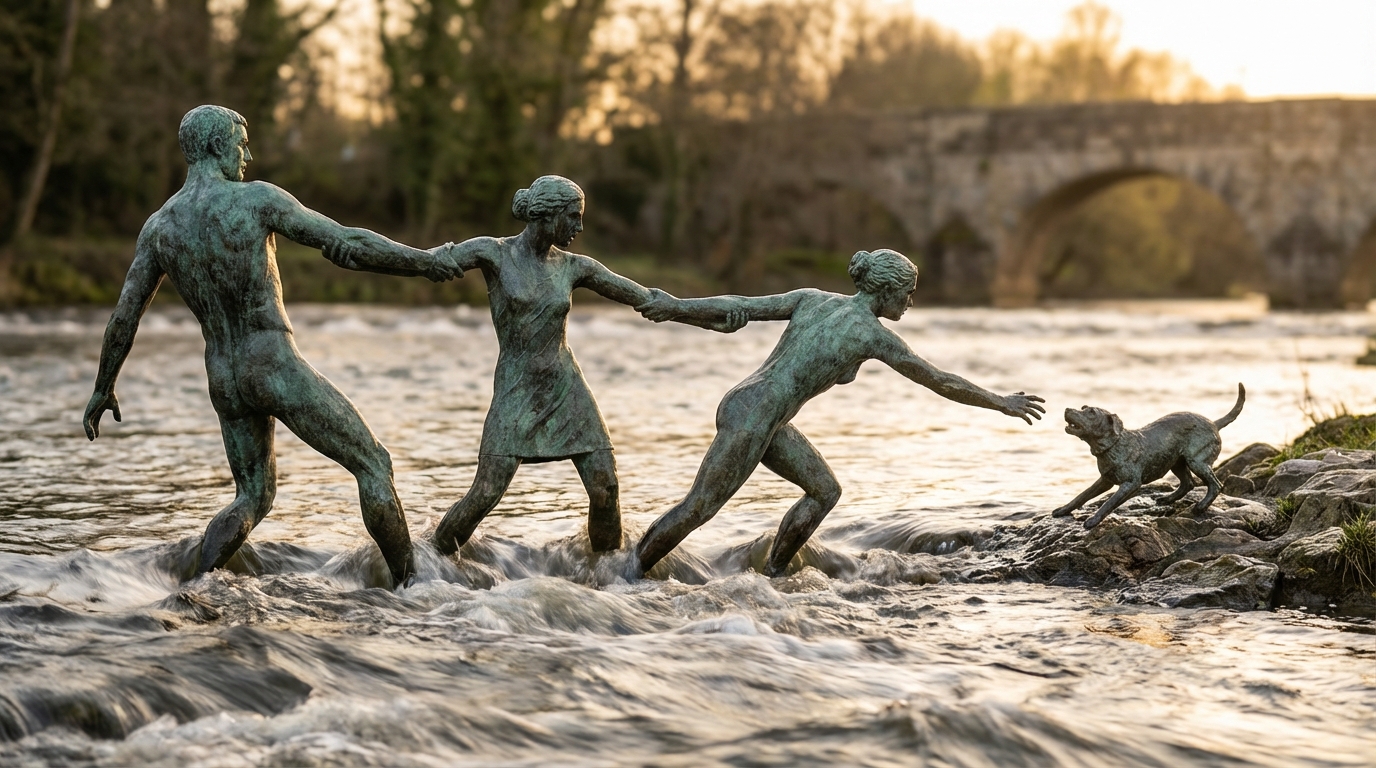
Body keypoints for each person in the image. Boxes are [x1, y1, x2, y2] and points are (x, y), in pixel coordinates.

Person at [82, 105, 457, 588]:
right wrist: (424, 263)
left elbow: (123, 317)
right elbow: (346, 243)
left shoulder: (159, 228)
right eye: (242, 143)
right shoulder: (256, 200)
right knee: (373, 463)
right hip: (271, 361)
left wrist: (103, 386)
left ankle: (195, 588)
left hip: (224, 377)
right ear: (217, 146)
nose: (248, 153)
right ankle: (416, 591)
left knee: (253, 497)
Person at [633, 248, 1045, 577]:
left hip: (757, 409)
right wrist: (1000, 402)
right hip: (756, 414)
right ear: (887, 292)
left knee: (824, 491)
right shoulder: (872, 334)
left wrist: (677, 307)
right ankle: (626, 576)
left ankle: (774, 573)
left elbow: (741, 304)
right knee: (700, 507)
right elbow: (939, 380)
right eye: (908, 293)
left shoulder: (813, 299)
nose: (910, 302)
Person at [430, 175, 743, 556]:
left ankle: (611, 572)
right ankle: (431, 559)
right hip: (517, 388)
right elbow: (429, 262)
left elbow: (646, 299)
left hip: (566, 387)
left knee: (605, 486)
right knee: (486, 492)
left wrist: (705, 315)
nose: (579, 227)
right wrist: (361, 251)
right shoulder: (493, 253)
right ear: (548, 214)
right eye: (574, 217)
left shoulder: (575, 267)